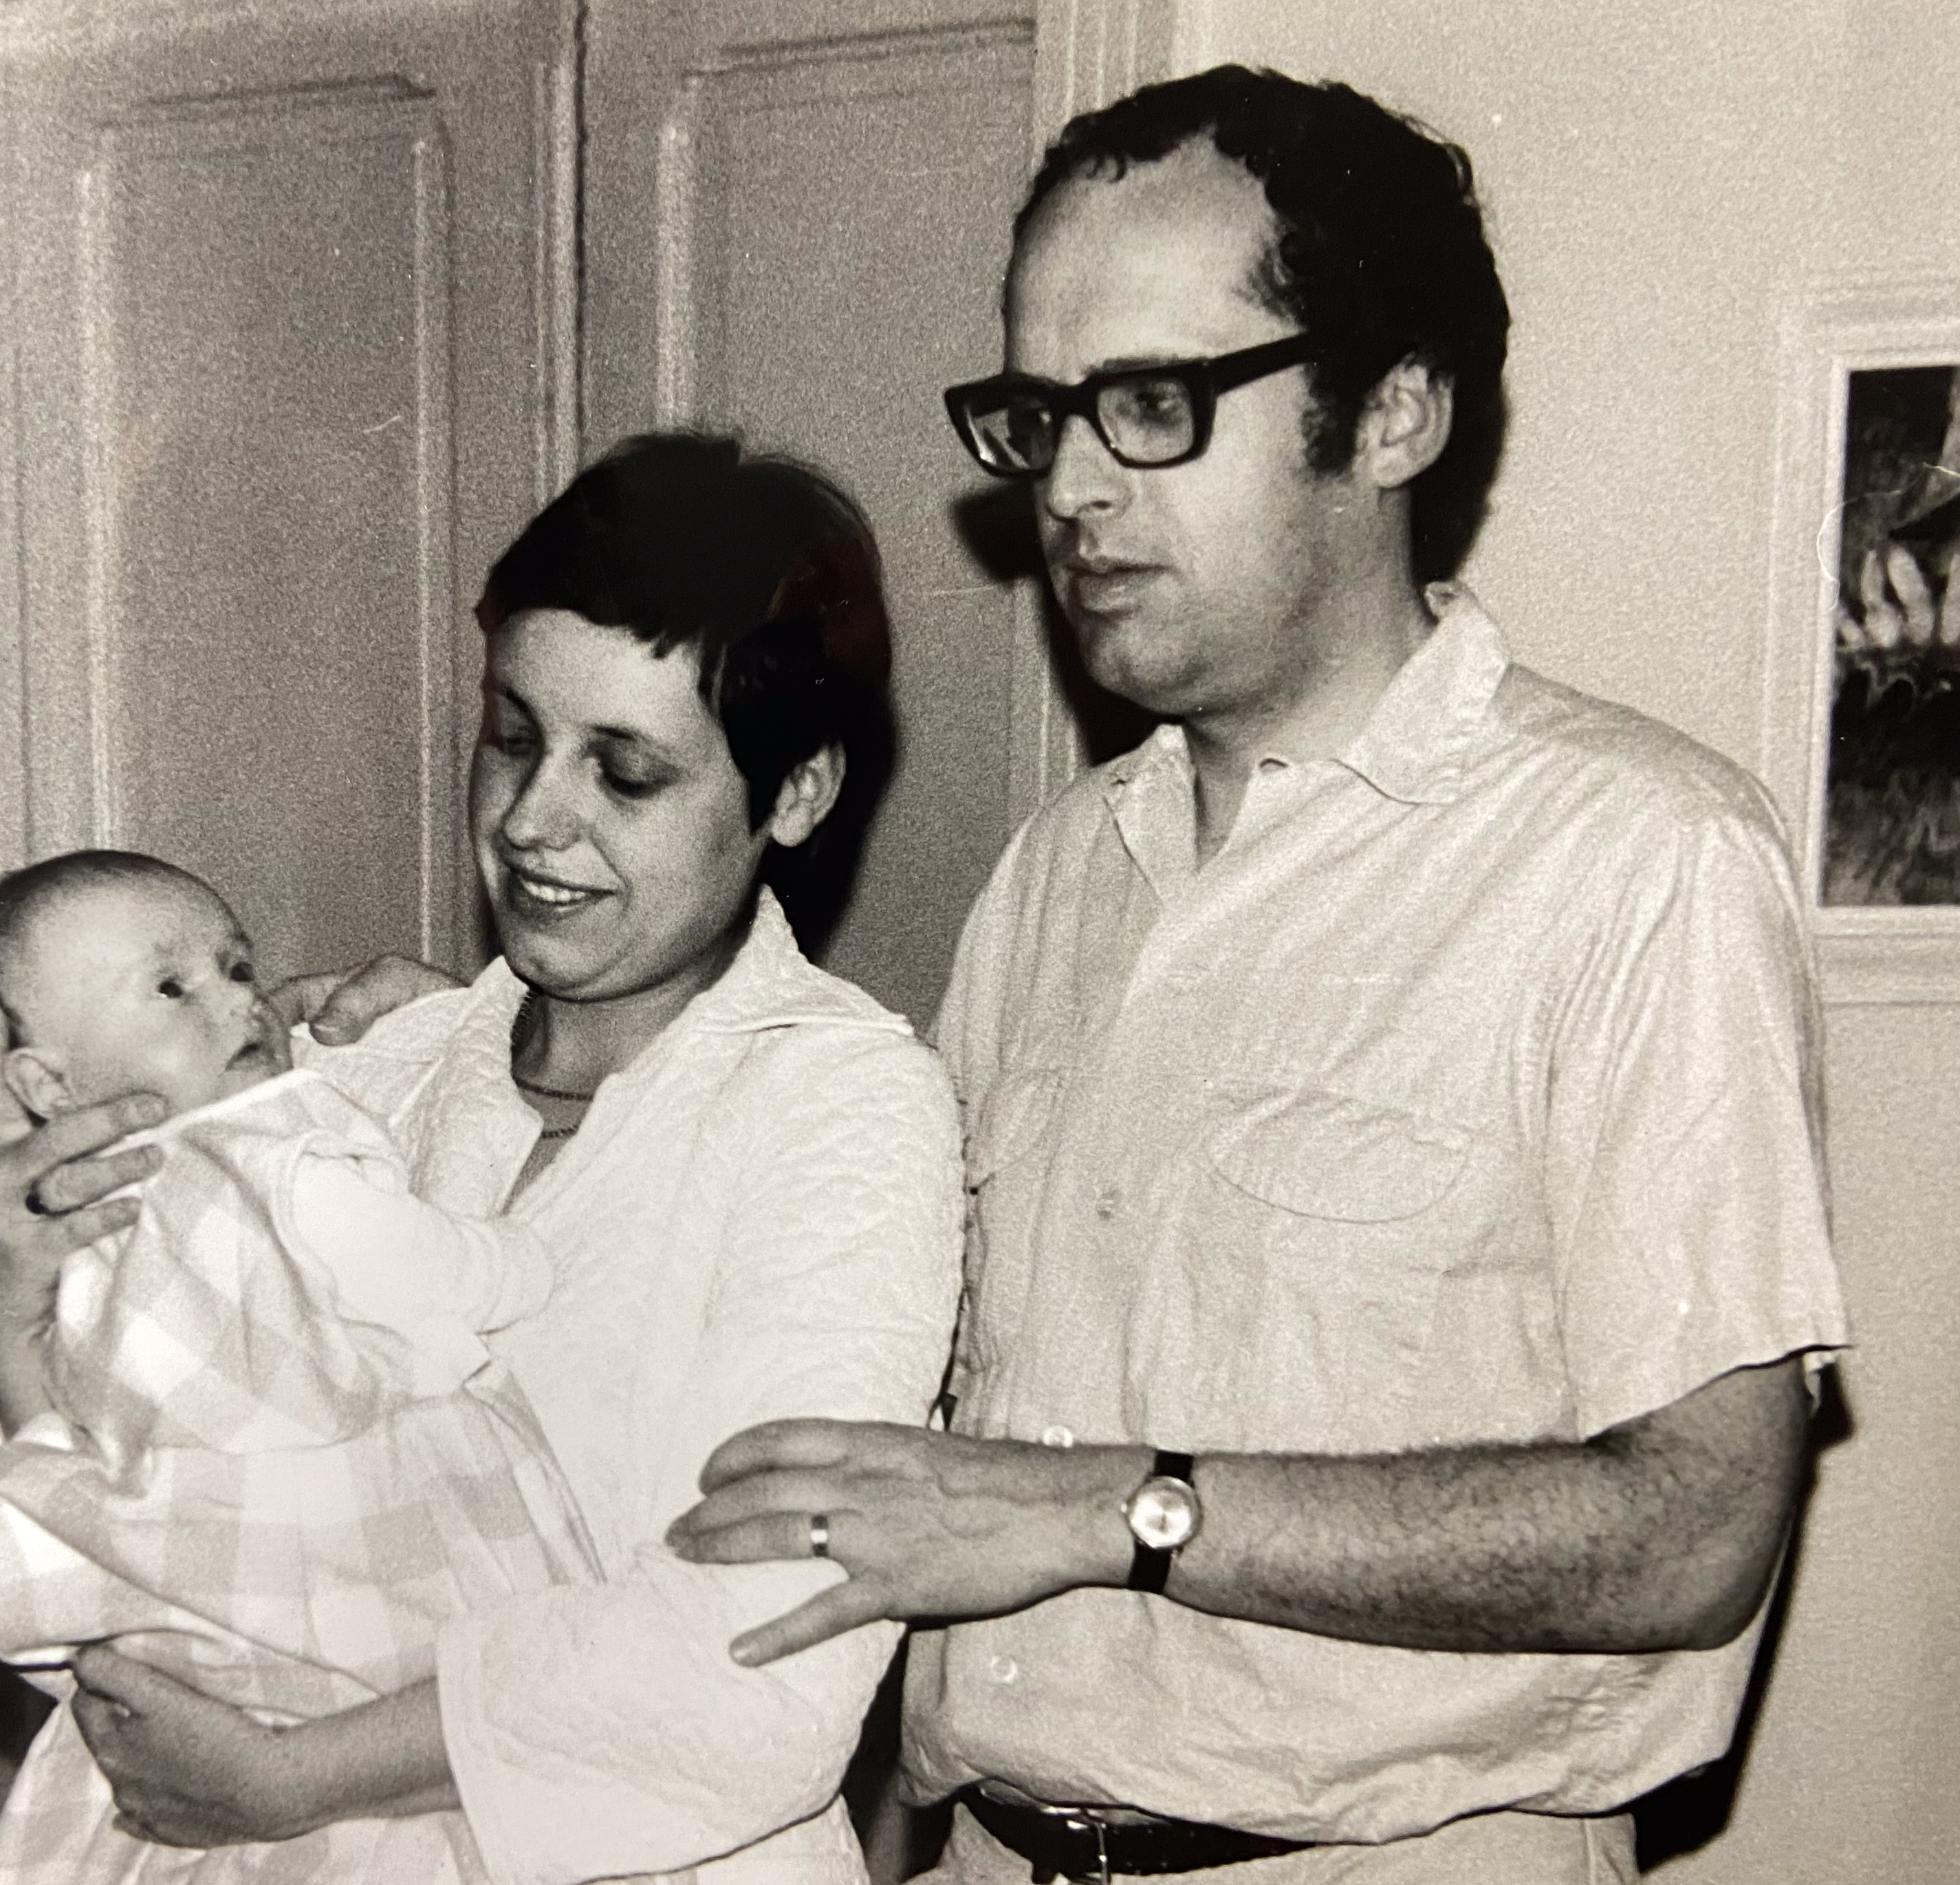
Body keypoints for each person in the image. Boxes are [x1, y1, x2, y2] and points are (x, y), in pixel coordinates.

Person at [665, 66, 1848, 1884]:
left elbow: (1696, 1526)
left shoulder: (1637, 860)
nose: (1068, 487)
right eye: (1040, 415)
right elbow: (924, 1441)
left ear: (1389, 416)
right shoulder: (1058, 871)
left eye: (1150, 406)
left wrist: (1112, 1513)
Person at [0, 433, 963, 1884]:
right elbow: (145, 1590)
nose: (532, 820)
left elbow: (759, 1660)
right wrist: (15, 1310)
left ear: (794, 795)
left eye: (625, 772)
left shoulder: (842, 1109)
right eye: (511, 736)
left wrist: (294, 1775)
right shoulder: (361, 1076)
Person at [0, 849, 596, 1885]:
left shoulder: (89, 1230)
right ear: (46, 1083)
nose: (239, 998)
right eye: (171, 986)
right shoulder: (275, 1151)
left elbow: (69, 1447)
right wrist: (519, 1258)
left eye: (236, 966)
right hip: (337, 1582)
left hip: (203, 1603)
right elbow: (417, 1264)